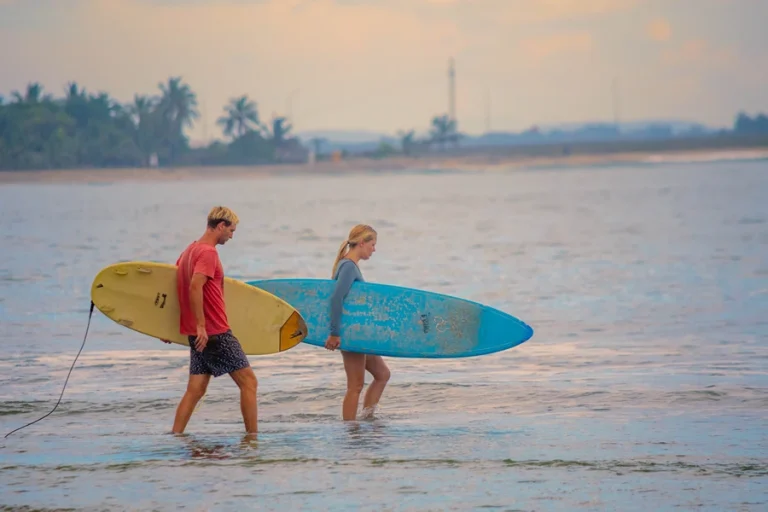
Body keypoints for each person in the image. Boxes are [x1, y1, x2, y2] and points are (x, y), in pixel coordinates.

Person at [161, 206, 258, 436]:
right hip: (214, 331)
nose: (231, 236)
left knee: (196, 389)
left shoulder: (189, 251)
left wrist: (166, 326)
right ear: (221, 226)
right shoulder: (207, 253)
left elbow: (176, 287)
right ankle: (252, 440)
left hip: (198, 333)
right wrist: (203, 326)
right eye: (231, 231)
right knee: (249, 383)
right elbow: (194, 286)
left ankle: (175, 437)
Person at [324, 224, 391, 421]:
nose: (374, 249)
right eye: (372, 244)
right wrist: (335, 333)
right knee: (355, 385)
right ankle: (350, 430)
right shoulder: (348, 266)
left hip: (359, 334)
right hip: (349, 334)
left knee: (382, 374)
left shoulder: (349, 266)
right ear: (361, 243)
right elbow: (337, 298)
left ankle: (367, 417)